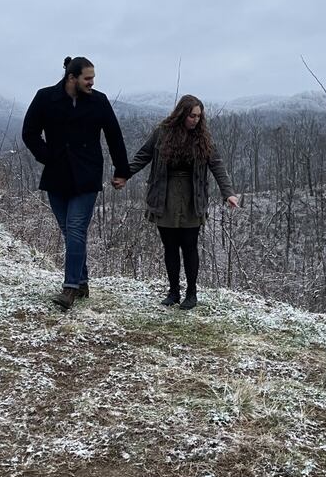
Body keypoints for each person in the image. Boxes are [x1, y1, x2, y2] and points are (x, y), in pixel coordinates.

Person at [22, 56, 130, 310]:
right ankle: (81, 281)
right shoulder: (45, 98)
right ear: (72, 78)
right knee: (69, 231)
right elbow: (29, 132)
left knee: (76, 228)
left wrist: (122, 171)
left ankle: (69, 288)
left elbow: (114, 136)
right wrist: (46, 156)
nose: (92, 82)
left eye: (93, 78)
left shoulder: (99, 101)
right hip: (57, 175)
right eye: (87, 78)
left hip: (87, 176)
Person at [116, 94, 239, 309]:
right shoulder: (162, 134)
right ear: (182, 114)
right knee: (170, 247)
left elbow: (217, 165)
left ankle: (192, 293)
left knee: (189, 246)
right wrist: (125, 175)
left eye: (199, 117)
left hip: (193, 198)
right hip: (164, 196)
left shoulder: (204, 139)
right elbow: (143, 156)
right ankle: (173, 291)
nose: (196, 120)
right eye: (192, 116)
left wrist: (228, 192)